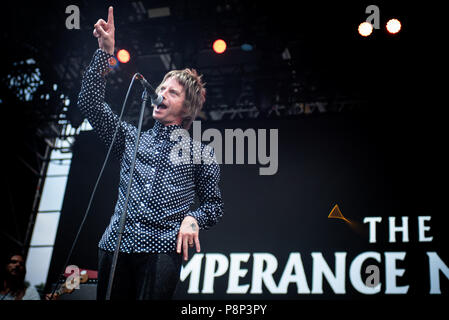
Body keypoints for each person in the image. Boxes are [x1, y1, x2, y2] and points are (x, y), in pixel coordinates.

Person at [77, 7, 224, 300]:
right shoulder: (129, 138)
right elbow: (89, 104)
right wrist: (105, 53)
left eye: (173, 92)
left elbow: (214, 206)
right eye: (162, 87)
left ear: (187, 109)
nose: (162, 93)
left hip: (161, 250)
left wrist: (193, 218)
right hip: (115, 247)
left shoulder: (199, 154)